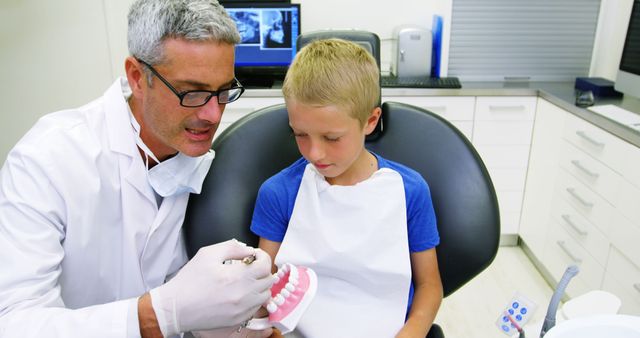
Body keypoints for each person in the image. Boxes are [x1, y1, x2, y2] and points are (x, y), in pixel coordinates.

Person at [0, 1, 274, 337]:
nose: (213, 116)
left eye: (223, 92)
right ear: (137, 78)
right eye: (192, 92)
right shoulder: (48, 160)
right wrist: (155, 314)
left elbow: (192, 308)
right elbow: (13, 323)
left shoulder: (202, 161)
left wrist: (240, 322)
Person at [250, 39, 444, 338]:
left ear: (370, 120)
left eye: (331, 138)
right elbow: (265, 289)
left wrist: (411, 333)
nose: (314, 153)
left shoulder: (409, 191)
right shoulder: (279, 193)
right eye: (300, 134)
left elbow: (430, 286)